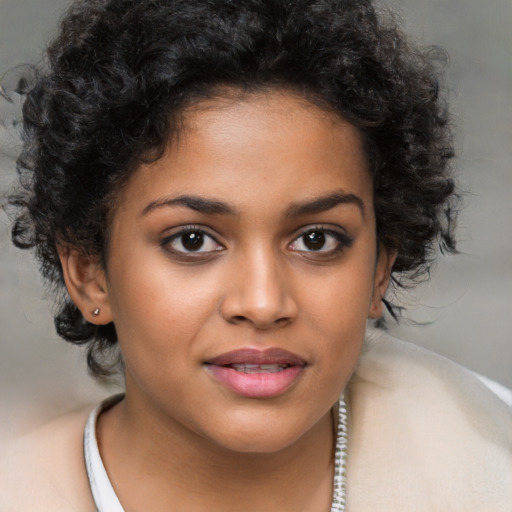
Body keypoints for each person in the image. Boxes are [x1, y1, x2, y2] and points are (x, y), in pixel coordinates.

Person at [1, 0, 510, 510]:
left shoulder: (489, 468)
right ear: (91, 273)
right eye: (193, 240)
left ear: (379, 267)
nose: (264, 303)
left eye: (317, 239)